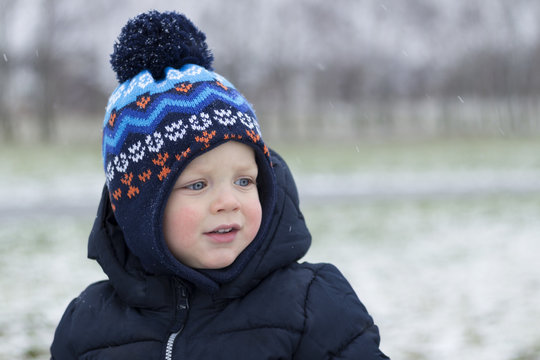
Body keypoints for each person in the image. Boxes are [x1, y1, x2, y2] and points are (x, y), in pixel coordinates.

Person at [50, 10, 389, 359]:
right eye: (198, 185)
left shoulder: (312, 306)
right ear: (139, 210)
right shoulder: (88, 325)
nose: (228, 201)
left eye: (244, 180)